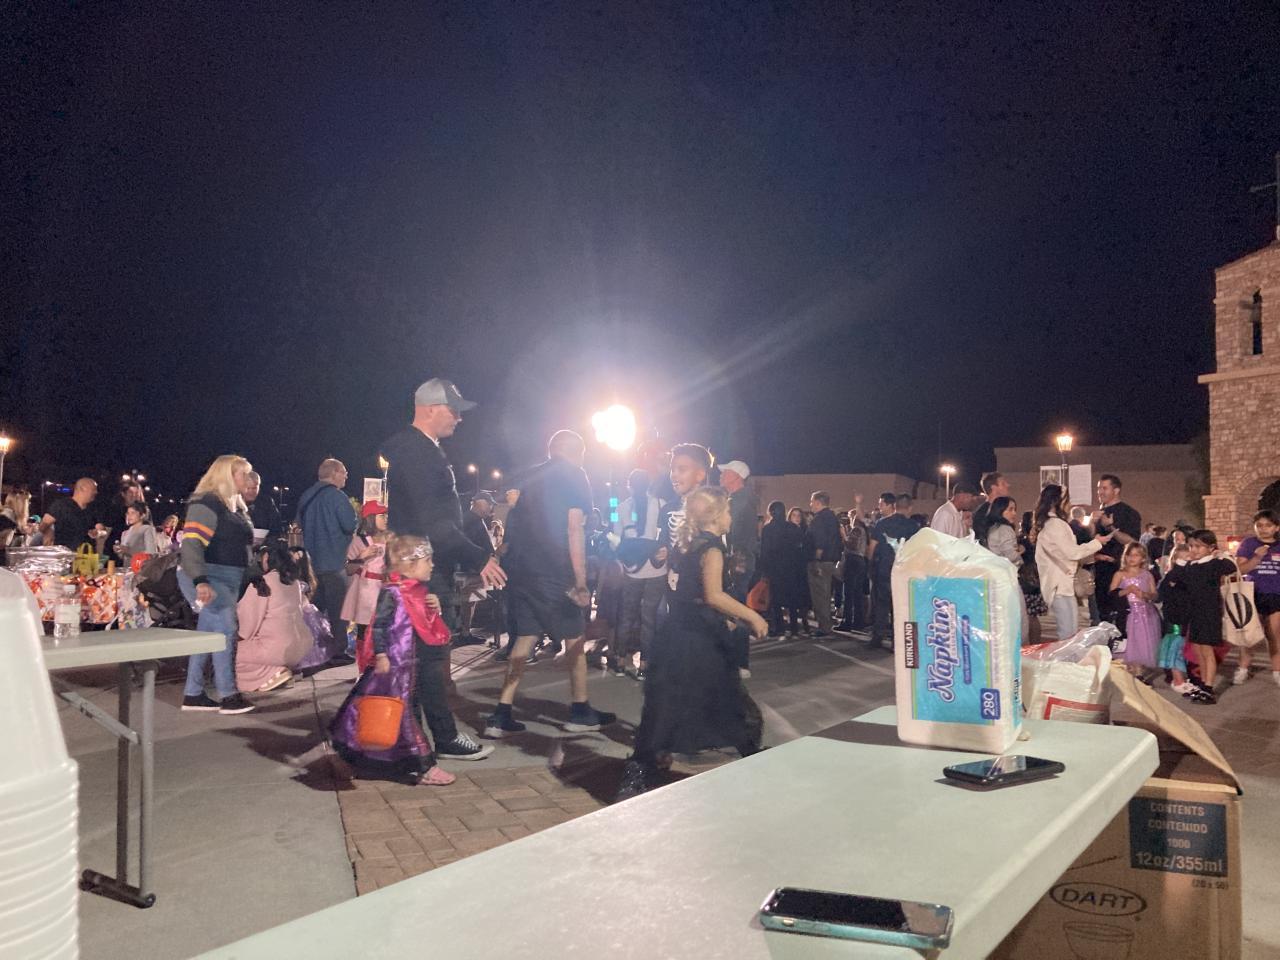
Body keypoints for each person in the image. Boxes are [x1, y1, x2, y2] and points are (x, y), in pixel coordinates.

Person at [616, 487, 768, 800]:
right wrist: (751, 616)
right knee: (723, 697)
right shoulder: (711, 549)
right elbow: (713, 594)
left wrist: (723, 617)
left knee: (670, 703)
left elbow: (688, 592)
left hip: (676, 633)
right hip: (697, 641)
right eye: (727, 511)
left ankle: (645, 764)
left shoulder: (685, 544)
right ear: (716, 516)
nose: (730, 517)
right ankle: (642, 768)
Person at [484, 430, 616, 738]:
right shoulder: (575, 475)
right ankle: (580, 710)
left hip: (522, 571)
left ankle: (500, 714)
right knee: (575, 638)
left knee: (524, 638)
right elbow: (574, 529)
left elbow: (512, 528)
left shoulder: (530, 477)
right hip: (555, 570)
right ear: (577, 452)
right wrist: (580, 580)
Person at [328, 535, 458, 786]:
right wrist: (381, 654)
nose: (432, 565)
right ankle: (425, 766)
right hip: (393, 667)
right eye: (427, 560)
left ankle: (364, 760)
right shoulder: (392, 592)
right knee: (400, 715)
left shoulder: (417, 591)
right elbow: (379, 626)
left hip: (409, 668)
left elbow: (422, 626)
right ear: (409, 564)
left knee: (397, 716)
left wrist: (435, 608)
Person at [381, 378, 506, 634]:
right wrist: (479, 557)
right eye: (453, 410)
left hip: (422, 568)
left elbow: (436, 513)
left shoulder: (419, 448)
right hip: (423, 574)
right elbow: (433, 521)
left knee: (427, 648)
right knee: (431, 649)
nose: (459, 418)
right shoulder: (417, 452)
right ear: (430, 409)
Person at [177, 455, 256, 715]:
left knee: (207, 636)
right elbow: (192, 544)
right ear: (227, 475)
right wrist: (200, 580)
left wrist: (254, 572)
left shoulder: (235, 506)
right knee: (225, 629)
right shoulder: (207, 503)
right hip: (210, 576)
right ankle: (228, 695)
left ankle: (193, 693)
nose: (249, 478)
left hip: (226, 578)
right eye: (244, 473)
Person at [1166, 529, 1239, 703]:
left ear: (1210, 547)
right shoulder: (1191, 566)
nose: (1194, 550)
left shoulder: (1213, 564)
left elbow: (1231, 567)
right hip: (1194, 614)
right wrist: (1182, 562)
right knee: (1198, 650)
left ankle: (1208, 687)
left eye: (1199, 546)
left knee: (1207, 650)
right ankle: (1203, 684)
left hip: (1209, 613)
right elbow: (1172, 577)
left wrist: (1220, 555)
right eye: (1191, 546)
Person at [1033, 484, 1111, 641]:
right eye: (1067, 500)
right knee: (1068, 635)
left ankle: (1067, 656)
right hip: (1059, 585)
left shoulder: (1050, 524)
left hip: (1058, 584)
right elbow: (1072, 552)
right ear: (1057, 502)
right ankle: (1066, 657)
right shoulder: (1056, 524)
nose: (1069, 504)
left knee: (1069, 633)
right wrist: (1097, 543)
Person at [296, 459, 358, 652]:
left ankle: (308, 645)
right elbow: (349, 525)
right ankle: (339, 650)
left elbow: (299, 524)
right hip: (334, 561)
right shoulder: (337, 497)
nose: (346, 476)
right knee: (339, 610)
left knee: (314, 607)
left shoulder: (306, 496)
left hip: (313, 562)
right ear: (334, 473)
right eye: (344, 472)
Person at [236, 541, 314, 692]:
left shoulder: (262, 584)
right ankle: (285, 671)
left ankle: (272, 674)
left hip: (277, 648)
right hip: (301, 645)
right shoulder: (294, 582)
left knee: (229, 653)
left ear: (266, 558)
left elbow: (247, 627)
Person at [613, 469, 666, 679]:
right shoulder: (660, 504)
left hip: (631, 569)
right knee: (649, 618)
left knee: (626, 616)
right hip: (657, 568)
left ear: (629, 485)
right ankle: (645, 664)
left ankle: (619, 661)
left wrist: (620, 561)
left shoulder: (620, 508)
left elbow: (615, 539)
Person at [1233, 510, 1280, 687]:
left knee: (1274, 634)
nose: (1263, 529)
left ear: (1276, 528)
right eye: (1259, 525)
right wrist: (1257, 556)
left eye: (1268, 525)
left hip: (1275, 594)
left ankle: (1277, 671)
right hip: (1252, 593)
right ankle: (1243, 669)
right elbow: (1240, 570)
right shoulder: (1248, 543)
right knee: (1249, 635)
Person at [1091, 474, 1142, 629]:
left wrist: (1110, 527)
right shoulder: (1097, 514)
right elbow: (1089, 541)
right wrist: (1091, 524)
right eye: (1098, 488)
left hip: (1120, 571)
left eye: (1104, 488)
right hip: (1100, 571)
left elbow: (1132, 542)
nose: (1100, 492)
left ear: (1116, 490)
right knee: (1102, 614)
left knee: (1120, 613)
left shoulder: (1129, 513)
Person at [868, 493, 920, 648]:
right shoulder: (913, 527)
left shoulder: (882, 523)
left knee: (881, 605)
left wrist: (870, 565)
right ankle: (896, 642)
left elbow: (872, 547)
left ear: (895, 506)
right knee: (899, 607)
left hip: (883, 570)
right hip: (903, 571)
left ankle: (877, 637)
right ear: (909, 508)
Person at [340, 501, 391, 653]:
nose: (386, 519)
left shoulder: (391, 540)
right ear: (371, 518)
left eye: (386, 515)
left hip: (384, 590)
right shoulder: (360, 541)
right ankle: (364, 658)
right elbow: (349, 569)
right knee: (364, 627)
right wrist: (362, 557)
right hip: (365, 591)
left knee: (384, 626)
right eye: (382, 516)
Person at [758, 500, 807, 637]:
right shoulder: (792, 528)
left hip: (775, 567)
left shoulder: (768, 529)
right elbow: (801, 547)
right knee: (792, 598)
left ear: (771, 512)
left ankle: (779, 627)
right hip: (792, 567)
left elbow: (765, 550)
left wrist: (764, 569)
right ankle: (794, 627)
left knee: (776, 599)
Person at [1111, 543, 1160, 678]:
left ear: (1143, 558)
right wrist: (1127, 590)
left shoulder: (1147, 575)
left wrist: (1145, 595)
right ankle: (1132, 669)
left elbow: (1154, 594)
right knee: (1131, 640)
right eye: (1129, 555)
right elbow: (1112, 594)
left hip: (1145, 613)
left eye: (1136, 555)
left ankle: (1140, 670)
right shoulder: (1120, 574)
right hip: (1129, 612)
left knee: (1143, 641)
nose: (1132, 558)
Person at [718, 460, 759, 601]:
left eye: (725, 472)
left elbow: (730, 531)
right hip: (741, 560)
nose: (721, 475)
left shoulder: (739, 501)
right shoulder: (742, 499)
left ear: (737, 476)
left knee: (733, 603)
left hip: (737, 561)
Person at [803, 490, 842, 637]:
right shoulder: (832, 518)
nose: (810, 504)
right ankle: (826, 625)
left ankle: (824, 627)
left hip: (821, 562)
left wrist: (817, 561)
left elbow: (819, 541)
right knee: (825, 594)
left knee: (819, 596)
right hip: (830, 561)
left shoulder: (819, 519)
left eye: (812, 501)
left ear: (818, 502)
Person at [39, 478, 99, 550]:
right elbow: (44, 525)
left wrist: (97, 532)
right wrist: (49, 534)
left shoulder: (92, 509)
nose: (96, 492)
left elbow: (99, 528)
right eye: (93, 489)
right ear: (82, 488)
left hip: (88, 554)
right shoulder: (61, 505)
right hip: (65, 553)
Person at [838, 508, 870, 631]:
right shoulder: (864, 530)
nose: (849, 519)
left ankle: (847, 621)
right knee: (857, 593)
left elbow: (852, 545)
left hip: (853, 561)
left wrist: (843, 535)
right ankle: (858, 621)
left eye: (851, 516)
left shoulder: (857, 529)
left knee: (849, 593)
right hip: (860, 561)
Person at [971, 472, 1011, 544]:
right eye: (1003, 484)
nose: (1008, 485)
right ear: (994, 488)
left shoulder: (1001, 509)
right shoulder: (982, 513)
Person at [245, 471, 284, 538]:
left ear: (259, 487)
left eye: (254, 488)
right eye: (248, 488)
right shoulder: (235, 503)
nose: (251, 492)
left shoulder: (267, 502)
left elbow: (276, 526)